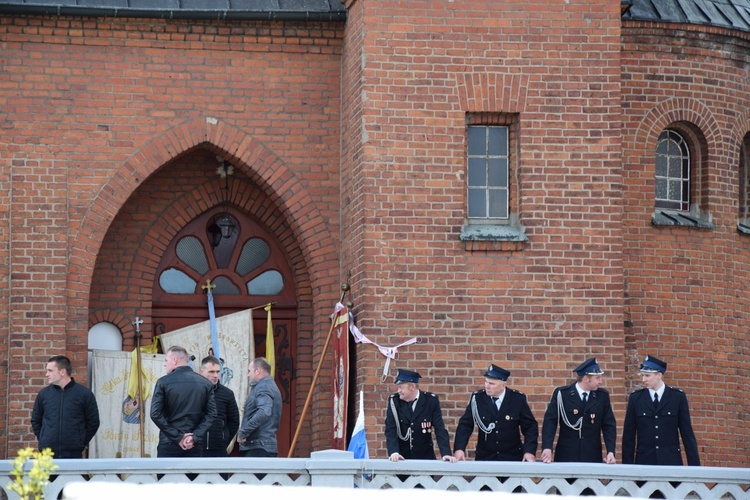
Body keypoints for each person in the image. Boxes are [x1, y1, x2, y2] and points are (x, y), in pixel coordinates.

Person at [622, 355, 700, 465]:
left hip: (671, 462)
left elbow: (687, 435)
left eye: (647, 376)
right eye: (643, 375)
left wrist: (694, 468)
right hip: (645, 462)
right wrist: (628, 468)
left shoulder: (677, 397)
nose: (643, 379)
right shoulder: (636, 399)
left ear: (659, 375)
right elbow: (628, 437)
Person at [453, 364, 538, 462]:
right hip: (485, 458)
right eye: (486, 382)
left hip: (512, 458)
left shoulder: (517, 399)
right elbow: (465, 425)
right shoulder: (478, 398)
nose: (487, 386)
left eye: (492, 383)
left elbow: (530, 427)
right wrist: (459, 449)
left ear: (503, 385)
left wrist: (529, 451)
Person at [541, 357, 617, 463]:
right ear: (586, 378)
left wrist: (610, 451)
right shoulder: (562, 394)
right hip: (566, 454)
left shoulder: (602, 396)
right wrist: (547, 447)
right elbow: (550, 422)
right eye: (597, 378)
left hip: (592, 455)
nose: (601, 381)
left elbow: (609, 425)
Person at [150, 346, 216, 457]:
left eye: (166, 360)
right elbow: (211, 414)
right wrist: (194, 437)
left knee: (166, 475)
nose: (165, 364)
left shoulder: (163, 382)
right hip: (194, 444)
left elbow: (155, 414)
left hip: (169, 443)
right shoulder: (206, 383)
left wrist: (178, 437)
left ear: (175, 360)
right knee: (193, 475)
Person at [31, 355, 100, 458]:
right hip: (47, 454)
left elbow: (93, 422)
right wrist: (44, 439)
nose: (46, 374)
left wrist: (79, 442)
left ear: (62, 372)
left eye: (50, 371)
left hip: (73, 454)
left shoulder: (84, 394)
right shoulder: (44, 394)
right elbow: (36, 420)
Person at [385, 368, 455, 462]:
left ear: (412, 387)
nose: (398, 391)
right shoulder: (394, 401)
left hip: (425, 459)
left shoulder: (430, 401)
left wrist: (446, 453)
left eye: (401, 387)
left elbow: (440, 429)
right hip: (401, 459)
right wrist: (394, 452)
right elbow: (390, 429)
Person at [237, 357, 282, 457]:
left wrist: (243, 433)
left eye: (249, 371)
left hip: (258, 447)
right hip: (262, 445)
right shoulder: (269, 385)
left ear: (257, 371)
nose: (248, 374)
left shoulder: (263, 387)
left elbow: (264, 412)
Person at [199, 355, 240, 457]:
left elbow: (234, 421)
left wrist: (223, 440)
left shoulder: (227, 394)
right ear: (201, 372)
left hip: (219, 450)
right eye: (211, 372)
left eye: (218, 371)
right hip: (196, 449)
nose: (215, 375)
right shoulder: (193, 392)